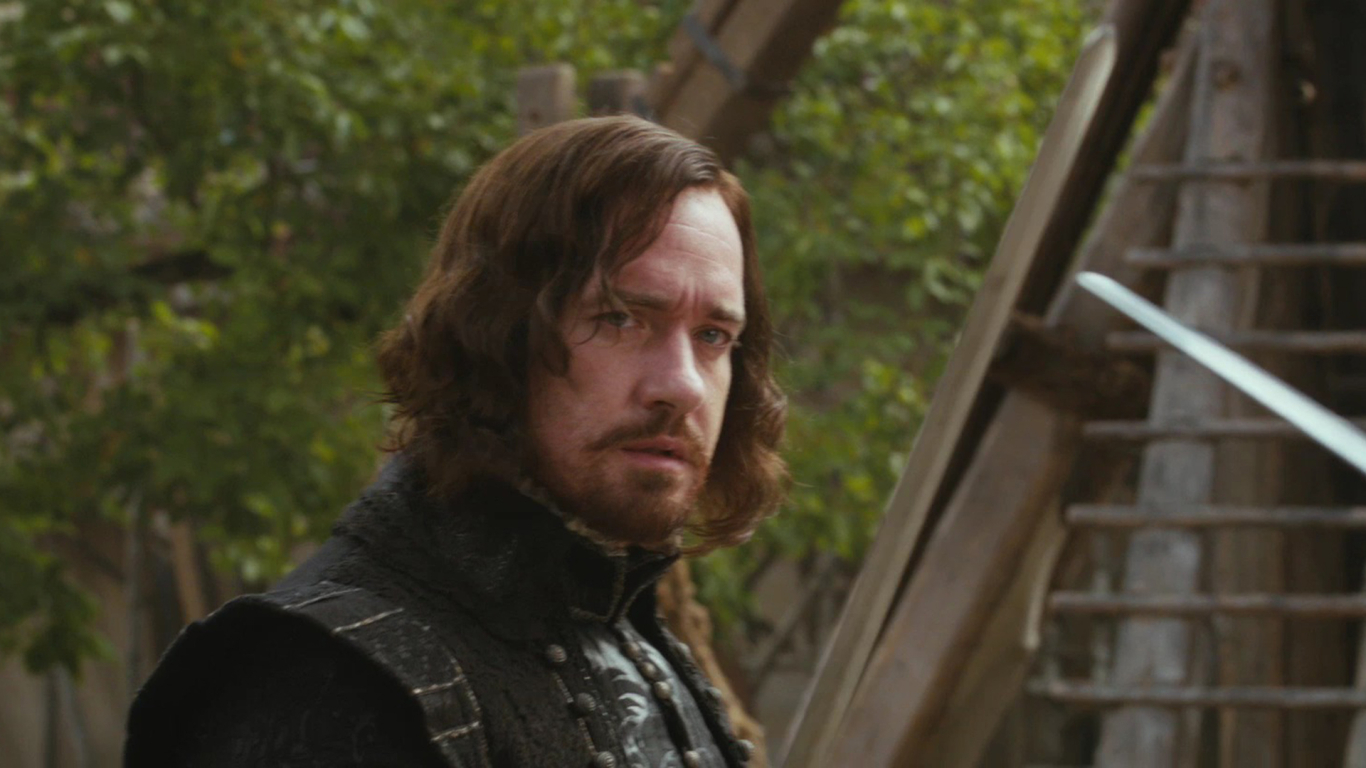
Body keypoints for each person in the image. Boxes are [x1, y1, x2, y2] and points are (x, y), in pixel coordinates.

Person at [124, 115, 787, 768]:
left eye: (713, 336)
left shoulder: (630, 634)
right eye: (619, 319)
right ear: (493, 330)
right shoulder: (322, 680)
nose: (683, 386)